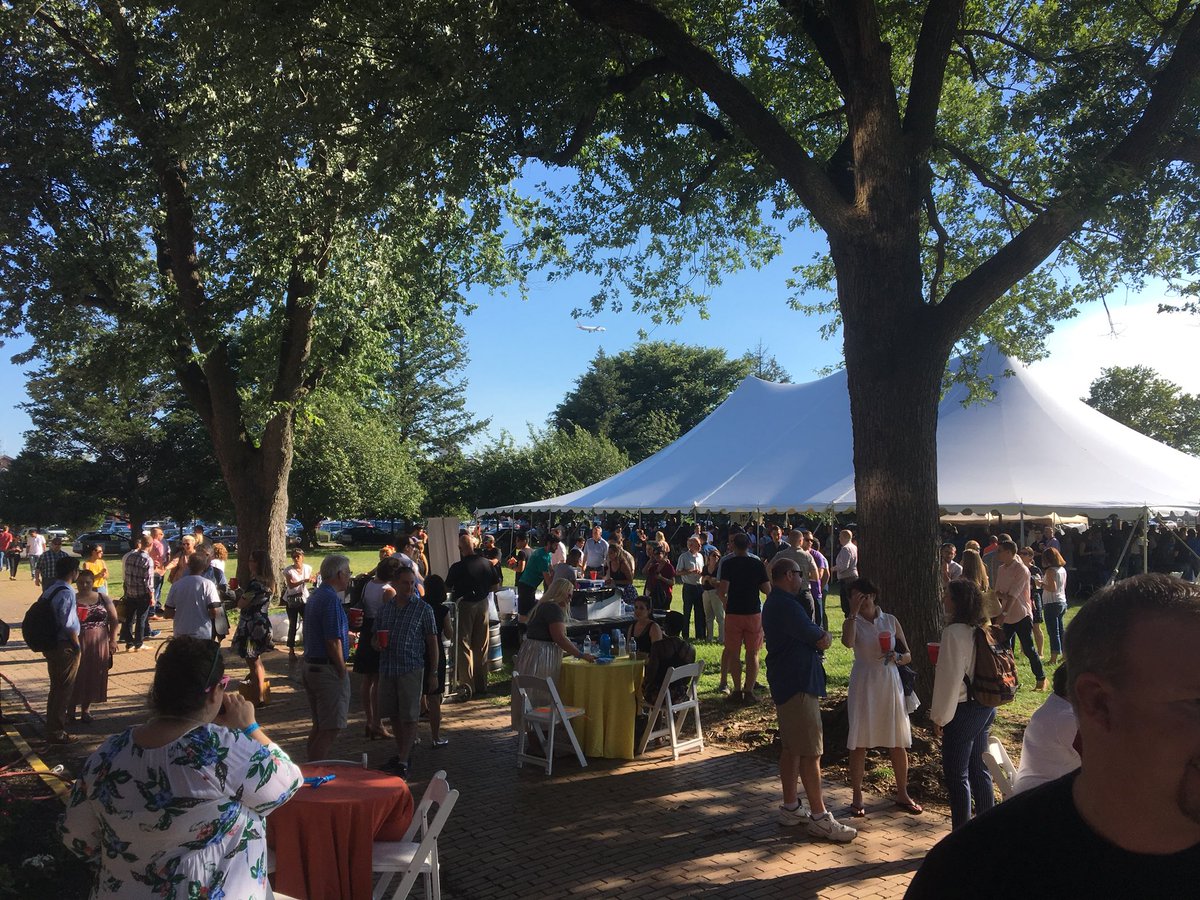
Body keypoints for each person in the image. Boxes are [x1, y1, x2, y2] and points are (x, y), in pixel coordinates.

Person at [908, 574, 1200, 897]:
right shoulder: (970, 874)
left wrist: (941, 715)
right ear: (1099, 703)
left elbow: (950, 678)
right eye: (1196, 703)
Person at [60, 636, 302, 898]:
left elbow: (77, 838)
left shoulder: (108, 754)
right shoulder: (219, 749)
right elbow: (287, 782)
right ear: (214, 693)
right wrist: (249, 727)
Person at [762, 557, 856, 841]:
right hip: (798, 682)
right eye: (800, 573)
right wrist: (824, 635)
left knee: (791, 748)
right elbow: (819, 637)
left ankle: (791, 806)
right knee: (810, 751)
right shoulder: (787, 605)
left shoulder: (777, 602)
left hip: (788, 680)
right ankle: (819, 816)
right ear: (788, 575)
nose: (803, 578)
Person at [840, 578, 921, 816]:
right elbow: (847, 642)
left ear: (873, 595)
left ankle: (902, 793)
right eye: (855, 597)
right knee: (859, 741)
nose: (861, 601)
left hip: (889, 680)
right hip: (864, 682)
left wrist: (898, 657)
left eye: (864, 596)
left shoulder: (890, 620)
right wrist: (853, 613)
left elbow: (908, 654)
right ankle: (857, 796)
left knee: (897, 739)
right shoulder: (852, 622)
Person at [929, 579, 996, 830]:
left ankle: (960, 834)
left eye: (947, 595)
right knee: (979, 769)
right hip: (986, 705)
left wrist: (939, 717)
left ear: (957, 602)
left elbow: (950, 679)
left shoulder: (953, 633)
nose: (944, 599)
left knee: (957, 775)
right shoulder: (983, 628)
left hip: (964, 709)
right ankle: (987, 828)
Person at [374, 565, 438, 779]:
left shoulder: (423, 609)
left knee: (410, 716)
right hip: (388, 667)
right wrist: (376, 643)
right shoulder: (386, 609)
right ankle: (403, 753)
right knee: (393, 713)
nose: (410, 587)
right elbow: (375, 637)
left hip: (411, 667)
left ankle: (403, 759)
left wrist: (433, 672)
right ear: (395, 583)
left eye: (412, 583)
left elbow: (432, 642)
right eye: (405, 583)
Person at [511, 577, 595, 727]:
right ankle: (542, 733)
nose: (570, 598)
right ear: (560, 592)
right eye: (568, 594)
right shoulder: (553, 609)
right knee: (541, 697)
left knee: (531, 696)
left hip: (531, 652)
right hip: (542, 655)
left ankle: (535, 734)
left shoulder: (543, 606)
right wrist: (580, 654)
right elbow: (559, 638)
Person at [302, 554, 353, 761]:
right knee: (330, 728)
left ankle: (309, 768)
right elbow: (332, 641)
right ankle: (314, 771)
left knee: (320, 726)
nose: (349, 577)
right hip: (326, 669)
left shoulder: (316, 595)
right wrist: (341, 670)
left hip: (312, 665)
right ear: (339, 574)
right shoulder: (330, 599)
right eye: (348, 573)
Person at [447, 532, 501, 697]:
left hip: (464, 604)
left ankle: (467, 684)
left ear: (460, 548)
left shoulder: (457, 567)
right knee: (481, 644)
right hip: (483, 604)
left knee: (463, 643)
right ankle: (482, 684)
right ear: (474, 546)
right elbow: (496, 585)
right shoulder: (486, 563)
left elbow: (447, 588)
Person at [717, 533, 770, 702]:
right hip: (753, 612)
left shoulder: (728, 563)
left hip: (734, 612)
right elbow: (767, 589)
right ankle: (749, 691)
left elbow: (722, 590)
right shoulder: (757, 564)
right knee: (753, 653)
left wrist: (725, 602)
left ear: (733, 545)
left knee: (734, 653)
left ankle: (737, 690)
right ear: (749, 545)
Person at [1012, 664, 1079, 795]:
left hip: (1035, 791)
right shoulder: (1066, 718)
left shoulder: (1055, 707)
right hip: (1043, 796)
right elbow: (1102, 759)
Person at [355, 556, 400, 740]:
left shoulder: (368, 585)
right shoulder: (388, 591)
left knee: (367, 679)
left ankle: (369, 720)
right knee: (378, 680)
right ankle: (377, 722)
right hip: (380, 632)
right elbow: (394, 615)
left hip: (366, 631)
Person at [67, 568, 118, 727]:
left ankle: (86, 710)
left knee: (93, 673)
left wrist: (113, 640)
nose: (84, 585)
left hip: (99, 641)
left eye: (87, 582)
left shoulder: (103, 598)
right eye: (81, 582)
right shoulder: (72, 599)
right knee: (75, 675)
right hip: (77, 640)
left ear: (93, 582)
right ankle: (70, 710)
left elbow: (114, 619)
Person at [994, 539, 1047, 690]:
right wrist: (1004, 600)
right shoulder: (1001, 569)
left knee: (1029, 649)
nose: (997, 554)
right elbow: (997, 591)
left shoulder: (1022, 570)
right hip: (1007, 616)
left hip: (1021, 615)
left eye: (1000, 551)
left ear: (1009, 552)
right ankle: (1009, 680)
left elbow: (1013, 595)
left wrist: (1003, 613)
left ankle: (1041, 678)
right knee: (1003, 649)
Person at [41, 554, 82, 744]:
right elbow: (68, 623)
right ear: (73, 572)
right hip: (64, 645)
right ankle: (57, 731)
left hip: (50, 642)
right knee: (64, 688)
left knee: (55, 686)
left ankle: (51, 725)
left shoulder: (51, 589)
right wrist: (77, 645)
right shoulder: (67, 592)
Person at [231, 549, 276, 707]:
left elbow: (241, 603)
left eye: (252, 561)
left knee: (253, 661)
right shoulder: (269, 581)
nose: (249, 563)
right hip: (262, 623)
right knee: (257, 660)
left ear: (258, 564)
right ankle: (260, 694)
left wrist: (236, 594)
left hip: (252, 626)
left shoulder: (255, 584)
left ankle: (258, 697)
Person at [421, 574, 453, 747]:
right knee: (434, 697)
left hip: (419, 650)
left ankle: (414, 735)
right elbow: (449, 633)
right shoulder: (443, 610)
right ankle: (435, 736)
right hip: (436, 651)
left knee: (417, 693)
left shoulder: (419, 606)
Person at [164, 552, 223, 640]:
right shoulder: (208, 584)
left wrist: (183, 616)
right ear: (204, 566)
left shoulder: (176, 585)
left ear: (188, 565)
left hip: (180, 633)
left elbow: (167, 613)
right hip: (202, 633)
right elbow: (215, 611)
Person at [642, 610, 696, 704]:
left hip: (659, 696)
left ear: (665, 626)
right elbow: (686, 680)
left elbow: (650, 676)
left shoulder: (659, 647)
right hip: (680, 695)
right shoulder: (690, 649)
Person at [121, 534, 155, 651]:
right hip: (142, 593)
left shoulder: (130, 556)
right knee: (141, 619)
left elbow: (127, 575)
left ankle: (129, 642)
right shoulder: (148, 560)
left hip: (130, 592)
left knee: (129, 618)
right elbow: (149, 581)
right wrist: (152, 596)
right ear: (150, 545)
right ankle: (139, 643)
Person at [516, 533, 556, 623]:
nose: (557, 547)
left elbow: (551, 569)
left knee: (531, 612)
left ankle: (526, 628)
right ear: (549, 544)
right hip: (526, 586)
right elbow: (549, 582)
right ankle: (521, 630)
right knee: (524, 614)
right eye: (555, 545)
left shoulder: (546, 553)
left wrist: (555, 572)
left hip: (531, 586)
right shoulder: (542, 557)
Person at [283, 548, 315, 660]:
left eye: (298, 556)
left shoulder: (307, 568)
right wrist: (303, 581)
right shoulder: (288, 571)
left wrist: (312, 579)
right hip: (292, 600)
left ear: (302, 557)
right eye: (294, 557)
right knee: (293, 624)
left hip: (304, 599)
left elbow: (311, 578)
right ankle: (291, 650)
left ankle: (307, 648)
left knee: (307, 623)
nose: (296, 559)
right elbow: (291, 585)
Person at [1041, 547, 1068, 665]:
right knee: (1061, 630)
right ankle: (1065, 655)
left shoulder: (1050, 571)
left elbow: (1052, 588)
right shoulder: (1062, 570)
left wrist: (1041, 584)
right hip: (1062, 601)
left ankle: (1053, 658)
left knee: (1053, 632)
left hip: (1052, 603)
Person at [677, 535, 706, 640]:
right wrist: (690, 571)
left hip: (699, 586)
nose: (700, 547)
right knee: (687, 611)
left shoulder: (700, 556)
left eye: (700, 545)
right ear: (691, 545)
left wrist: (701, 573)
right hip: (688, 586)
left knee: (699, 612)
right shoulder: (684, 557)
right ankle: (685, 635)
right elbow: (678, 572)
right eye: (697, 545)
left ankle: (700, 635)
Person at [700, 547, 726, 652]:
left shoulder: (720, 569)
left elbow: (720, 582)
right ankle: (709, 638)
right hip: (706, 593)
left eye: (718, 556)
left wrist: (710, 580)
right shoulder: (705, 568)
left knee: (720, 617)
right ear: (709, 557)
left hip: (716, 593)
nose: (715, 558)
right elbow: (702, 581)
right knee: (708, 617)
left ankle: (721, 639)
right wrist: (708, 579)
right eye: (713, 555)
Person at [642, 542, 677, 612]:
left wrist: (661, 578)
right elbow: (644, 572)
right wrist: (650, 560)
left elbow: (672, 582)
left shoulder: (669, 567)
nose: (656, 556)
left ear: (664, 554)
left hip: (664, 595)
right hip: (653, 594)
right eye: (655, 555)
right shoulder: (654, 566)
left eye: (658, 554)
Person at [605, 534, 638, 605]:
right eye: (608, 553)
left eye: (611, 553)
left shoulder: (623, 564)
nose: (609, 555)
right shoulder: (610, 563)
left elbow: (630, 581)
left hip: (627, 592)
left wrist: (615, 582)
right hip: (617, 590)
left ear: (616, 553)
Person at [834, 529, 859, 614]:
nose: (839, 539)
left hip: (847, 578)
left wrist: (835, 568)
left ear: (844, 537)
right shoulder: (854, 547)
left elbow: (844, 566)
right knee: (852, 602)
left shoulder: (846, 548)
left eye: (840, 537)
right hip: (853, 577)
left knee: (846, 604)